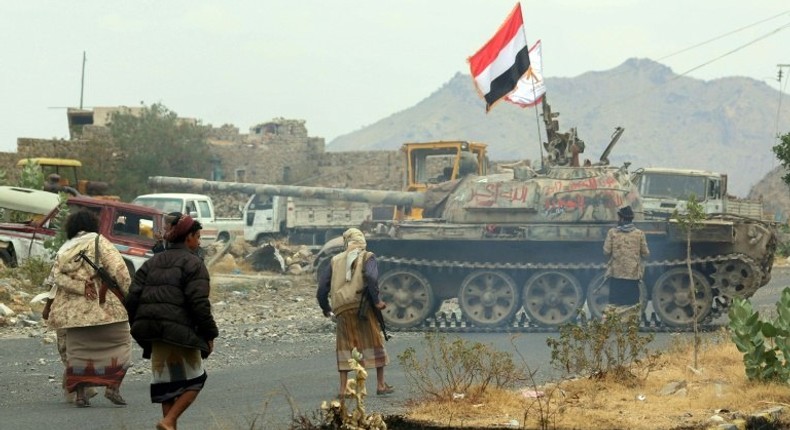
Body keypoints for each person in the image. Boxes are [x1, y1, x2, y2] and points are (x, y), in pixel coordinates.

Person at [126, 214, 218, 430]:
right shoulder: (194, 263)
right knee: (196, 380)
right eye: (198, 237)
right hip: (180, 332)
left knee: (166, 385)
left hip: (153, 331)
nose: (199, 242)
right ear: (188, 238)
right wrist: (209, 334)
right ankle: (169, 420)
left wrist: (139, 325)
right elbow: (198, 303)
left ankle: (169, 425)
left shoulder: (151, 262)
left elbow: (131, 298)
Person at [43, 210, 132, 407]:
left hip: (71, 315)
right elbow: (120, 272)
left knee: (77, 353)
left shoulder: (65, 249)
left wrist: (49, 307)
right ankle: (112, 387)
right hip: (104, 310)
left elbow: (53, 280)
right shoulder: (100, 243)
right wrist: (129, 296)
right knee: (121, 346)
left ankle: (81, 395)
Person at [316, 227, 393, 397]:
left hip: (342, 309)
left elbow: (322, 289)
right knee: (375, 341)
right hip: (362, 307)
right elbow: (372, 278)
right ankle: (380, 385)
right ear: (362, 242)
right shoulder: (368, 256)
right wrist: (377, 301)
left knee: (345, 347)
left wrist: (326, 308)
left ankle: (343, 390)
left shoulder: (334, 260)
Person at [603, 205, 650, 314]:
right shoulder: (639, 234)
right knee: (632, 305)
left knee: (614, 304)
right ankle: (629, 325)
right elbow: (646, 254)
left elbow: (606, 252)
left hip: (616, 276)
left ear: (622, 218)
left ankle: (614, 324)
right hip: (632, 277)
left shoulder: (612, 233)